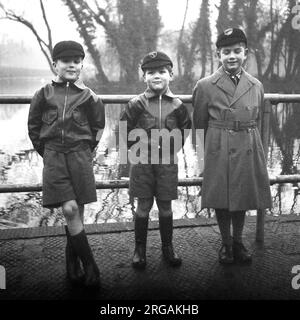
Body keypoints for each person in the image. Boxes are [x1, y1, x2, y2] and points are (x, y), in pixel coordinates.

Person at [28, 40, 105, 287]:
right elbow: (33, 127)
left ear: (81, 64)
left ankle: (71, 263)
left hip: (80, 156)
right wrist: (48, 153)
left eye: (76, 61)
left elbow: (98, 128)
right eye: (66, 61)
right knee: (70, 210)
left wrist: (83, 150)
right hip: (54, 157)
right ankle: (91, 265)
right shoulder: (43, 94)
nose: (71, 65)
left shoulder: (89, 96)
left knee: (78, 211)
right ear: (55, 64)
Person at [192, 28, 272, 265]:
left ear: (245, 53)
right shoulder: (205, 85)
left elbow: (255, 120)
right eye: (226, 52)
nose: (232, 56)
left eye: (237, 51)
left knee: (243, 197)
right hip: (218, 146)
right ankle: (226, 243)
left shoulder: (256, 85)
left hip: (247, 144)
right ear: (219, 55)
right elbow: (198, 126)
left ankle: (238, 241)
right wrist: (202, 160)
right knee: (222, 198)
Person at [120, 51, 191, 269]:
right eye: (151, 72)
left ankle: (167, 247)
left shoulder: (178, 105)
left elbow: (186, 129)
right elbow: (123, 130)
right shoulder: (135, 104)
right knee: (143, 205)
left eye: (162, 71)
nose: (156, 76)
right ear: (144, 77)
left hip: (167, 163)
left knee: (165, 206)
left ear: (171, 74)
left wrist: (171, 150)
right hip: (141, 163)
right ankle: (139, 249)